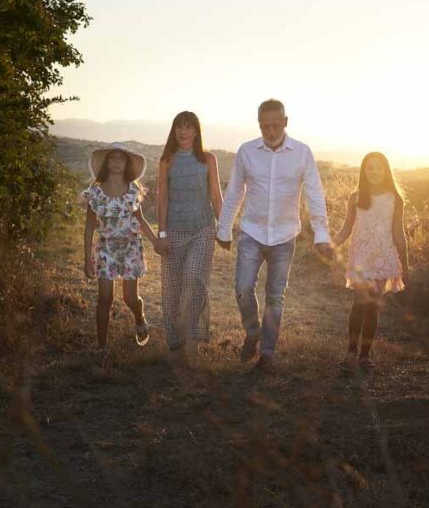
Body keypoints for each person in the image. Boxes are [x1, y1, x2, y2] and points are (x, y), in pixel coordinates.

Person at [217, 99, 333, 372]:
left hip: (284, 235)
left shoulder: (302, 153)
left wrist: (321, 233)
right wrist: (224, 228)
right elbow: (235, 192)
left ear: (286, 122)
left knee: (275, 296)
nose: (270, 131)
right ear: (259, 124)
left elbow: (315, 193)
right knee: (243, 288)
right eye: (265, 126)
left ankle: (267, 354)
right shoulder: (246, 152)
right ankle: (253, 331)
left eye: (275, 125)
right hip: (251, 232)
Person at [331, 152, 409, 373]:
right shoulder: (356, 197)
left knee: (373, 306)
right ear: (363, 171)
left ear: (386, 171)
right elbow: (346, 229)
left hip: (383, 256)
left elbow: (398, 234)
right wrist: (330, 243)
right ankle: (350, 352)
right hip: (360, 256)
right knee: (359, 301)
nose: (374, 172)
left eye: (378, 167)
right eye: (369, 168)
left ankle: (365, 356)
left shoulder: (395, 199)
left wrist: (405, 264)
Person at [155, 111, 223, 363]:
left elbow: (216, 197)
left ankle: (192, 338)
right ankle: (175, 343)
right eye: (178, 127)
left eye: (188, 127)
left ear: (196, 131)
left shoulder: (208, 159)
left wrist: (224, 229)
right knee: (173, 289)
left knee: (194, 279)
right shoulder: (167, 161)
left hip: (202, 229)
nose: (183, 132)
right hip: (173, 230)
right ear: (174, 132)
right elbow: (162, 199)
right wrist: (161, 235)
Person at [82, 143, 160, 360]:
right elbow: (89, 227)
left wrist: (155, 242)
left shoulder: (132, 191)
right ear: (106, 163)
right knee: (104, 298)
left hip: (130, 248)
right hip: (106, 248)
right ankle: (102, 348)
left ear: (126, 165)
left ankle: (140, 318)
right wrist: (87, 258)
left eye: (121, 158)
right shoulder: (95, 193)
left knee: (130, 298)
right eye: (112, 158)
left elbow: (141, 220)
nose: (116, 161)